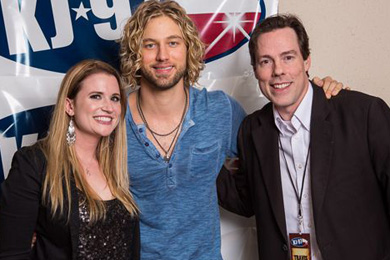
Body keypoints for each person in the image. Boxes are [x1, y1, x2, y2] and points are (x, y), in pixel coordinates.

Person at [119, 1, 343, 259]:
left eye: (172, 43)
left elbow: (284, 138)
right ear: (136, 52)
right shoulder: (114, 119)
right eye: (150, 45)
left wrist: (322, 94)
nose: (162, 55)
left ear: (188, 48)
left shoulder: (220, 111)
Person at [217, 14, 390, 260]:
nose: (278, 71)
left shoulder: (364, 115)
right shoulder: (252, 130)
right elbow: (247, 200)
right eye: (266, 61)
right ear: (255, 70)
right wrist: (195, 156)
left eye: (288, 57)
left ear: (307, 61)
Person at [0, 60, 139, 259]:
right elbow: (11, 253)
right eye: (96, 96)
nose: (108, 107)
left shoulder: (118, 164)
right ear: (70, 105)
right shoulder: (34, 163)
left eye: (115, 98)